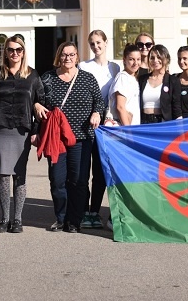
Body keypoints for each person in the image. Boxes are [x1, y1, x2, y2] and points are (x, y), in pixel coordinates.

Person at [41, 42, 104, 233]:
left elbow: (99, 101)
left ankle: (74, 221)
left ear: (77, 57)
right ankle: (61, 218)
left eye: (72, 54)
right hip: (56, 138)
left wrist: (97, 113)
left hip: (82, 138)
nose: (68, 58)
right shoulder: (48, 78)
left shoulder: (87, 78)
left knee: (78, 181)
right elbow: (38, 99)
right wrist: (37, 106)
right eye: (64, 55)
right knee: (58, 180)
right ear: (58, 57)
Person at [0, 34, 46, 234]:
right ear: (5, 52)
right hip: (0, 129)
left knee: (19, 175)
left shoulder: (32, 75)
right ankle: (4, 218)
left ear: (23, 52)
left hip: (22, 130)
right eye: (11, 49)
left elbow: (41, 103)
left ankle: (18, 219)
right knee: (3, 175)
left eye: (18, 50)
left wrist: (36, 131)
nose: (14, 53)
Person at [78, 30, 120, 229]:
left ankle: (95, 210)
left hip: (108, 125)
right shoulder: (84, 66)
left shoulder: (115, 67)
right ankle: (84, 210)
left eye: (99, 42)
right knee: (83, 169)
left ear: (106, 42)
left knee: (101, 171)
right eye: (92, 43)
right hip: (87, 123)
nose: (96, 46)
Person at [138, 44, 182, 123]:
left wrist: (180, 127)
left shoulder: (173, 81)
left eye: (159, 57)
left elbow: (177, 107)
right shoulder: (142, 79)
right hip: (143, 122)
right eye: (152, 58)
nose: (155, 60)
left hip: (162, 123)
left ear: (166, 59)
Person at [109, 44, 142, 126]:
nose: (135, 63)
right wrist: (128, 131)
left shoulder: (134, 78)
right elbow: (120, 107)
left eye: (138, 59)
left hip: (134, 127)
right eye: (131, 59)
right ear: (124, 60)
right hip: (124, 129)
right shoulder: (122, 78)